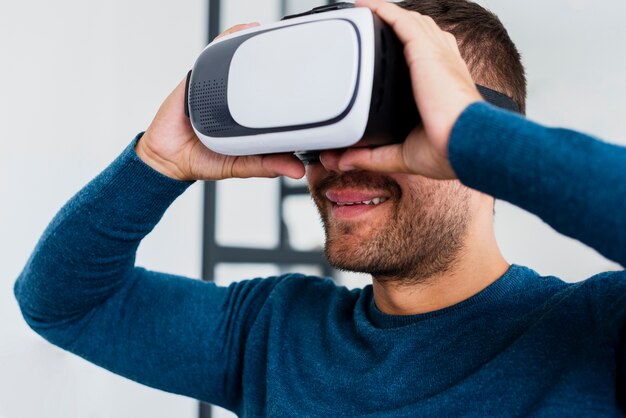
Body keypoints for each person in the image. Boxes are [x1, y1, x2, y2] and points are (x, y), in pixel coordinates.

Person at [14, 0, 626, 416]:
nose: (338, 161)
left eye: (384, 126)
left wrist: (472, 136)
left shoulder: (598, 333)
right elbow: (64, 302)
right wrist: (158, 160)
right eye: (326, 125)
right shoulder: (274, 332)